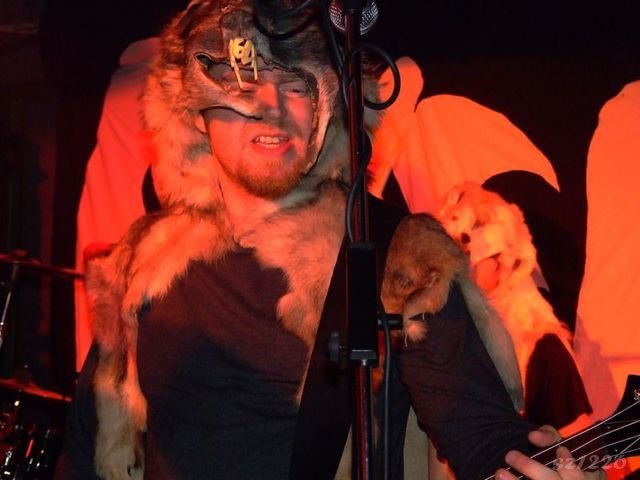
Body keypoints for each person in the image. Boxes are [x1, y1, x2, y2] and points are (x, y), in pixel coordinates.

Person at [54, 1, 604, 479]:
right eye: (244, 85)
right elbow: (86, 447)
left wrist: (549, 467)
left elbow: (480, 432)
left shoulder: (396, 256)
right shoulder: (145, 260)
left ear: (328, 108)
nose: (272, 107)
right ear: (196, 114)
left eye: (296, 86)